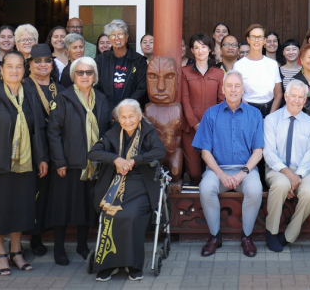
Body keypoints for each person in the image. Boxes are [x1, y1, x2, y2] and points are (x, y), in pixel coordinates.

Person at [0, 52, 49, 276]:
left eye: (19, 67)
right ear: (2, 71)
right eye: (10, 67)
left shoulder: (31, 95)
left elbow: (37, 131)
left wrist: (42, 158)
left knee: (21, 209)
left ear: (24, 71)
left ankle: (16, 252)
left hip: (25, 165)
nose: (14, 70)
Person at [88, 99, 165, 282]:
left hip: (141, 184)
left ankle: (133, 265)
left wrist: (134, 161)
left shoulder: (148, 132)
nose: (128, 120)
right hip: (116, 182)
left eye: (132, 116)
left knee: (130, 215)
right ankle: (109, 264)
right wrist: (116, 159)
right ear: (118, 118)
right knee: (109, 214)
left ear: (140, 116)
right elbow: (93, 153)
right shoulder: (113, 133)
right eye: (123, 117)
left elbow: (159, 151)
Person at [47, 56, 111, 266]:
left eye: (89, 72)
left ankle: (82, 247)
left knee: (85, 206)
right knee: (62, 208)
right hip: (69, 164)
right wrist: (59, 161)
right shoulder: (63, 98)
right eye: (80, 72)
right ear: (73, 76)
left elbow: (106, 131)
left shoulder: (101, 99)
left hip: (93, 164)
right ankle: (58, 250)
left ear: (95, 76)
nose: (84, 76)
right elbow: (54, 132)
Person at [193, 71, 264, 258]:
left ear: (243, 89)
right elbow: (205, 151)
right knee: (206, 188)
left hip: (245, 169)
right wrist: (221, 175)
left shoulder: (254, 114)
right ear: (223, 89)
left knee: (255, 189)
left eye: (237, 86)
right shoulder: (211, 114)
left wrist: (242, 173)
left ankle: (246, 236)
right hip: (218, 169)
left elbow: (258, 151)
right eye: (229, 86)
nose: (233, 89)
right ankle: (215, 236)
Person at [262, 80, 310, 252]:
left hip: (303, 170)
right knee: (281, 184)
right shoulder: (271, 120)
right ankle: (271, 232)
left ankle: (289, 235)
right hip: (277, 169)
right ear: (285, 96)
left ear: (305, 100)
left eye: (300, 97)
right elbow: (269, 153)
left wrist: (298, 177)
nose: (296, 100)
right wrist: (288, 175)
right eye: (293, 96)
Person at [23, 44, 61, 256]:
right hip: (33, 149)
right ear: (30, 64)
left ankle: (47, 234)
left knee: (49, 195)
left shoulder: (60, 88)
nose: (43, 65)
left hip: (56, 149)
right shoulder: (23, 87)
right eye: (38, 61)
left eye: (47, 60)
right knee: (35, 195)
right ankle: (34, 238)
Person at [180, 33, 225, 185]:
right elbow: (184, 100)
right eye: (197, 48)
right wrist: (195, 124)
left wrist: (213, 124)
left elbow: (221, 100)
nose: (200, 51)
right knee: (193, 171)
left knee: (211, 167)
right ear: (191, 50)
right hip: (191, 128)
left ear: (210, 49)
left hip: (213, 127)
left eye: (204, 47)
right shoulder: (184, 72)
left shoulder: (218, 73)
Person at [95, 19, 148, 110]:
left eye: (120, 34)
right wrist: (110, 109)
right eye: (113, 35)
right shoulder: (100, 60)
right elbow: (95, 88)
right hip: (106, 112)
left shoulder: (138, 61)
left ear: (127, 37)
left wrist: (125, 108)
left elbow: (142, 89)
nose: (117, 38)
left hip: (131, 112)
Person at [233, 24, 282, 117]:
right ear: (248, 40)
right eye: (253, 37)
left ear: (264, 40)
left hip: (269, 110)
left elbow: (278, 94)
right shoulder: (239, 65)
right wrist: (252, 115)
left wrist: (270, 118)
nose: (256, 40)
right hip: (246, 110)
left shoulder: (272, 64)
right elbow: (237, 93)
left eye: (259, 37)